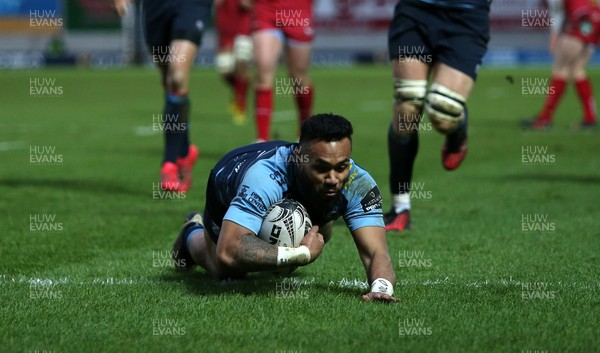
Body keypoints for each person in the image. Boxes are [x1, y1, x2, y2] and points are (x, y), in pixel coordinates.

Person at [171, 114, 398, 302]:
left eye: (341, 166)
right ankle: (191, 230)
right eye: (321, 168)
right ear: (298, 157)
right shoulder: (264, 178)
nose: (333, 178)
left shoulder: (358, 183)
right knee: (225, 270)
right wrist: (300, 254)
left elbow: (376, 251)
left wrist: (382, 288)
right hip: (228, 180)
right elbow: (228, 251)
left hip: (301, 197)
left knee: (320, 231)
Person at [384, 0, 491, 232]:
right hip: (416, 10)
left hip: (466, 17)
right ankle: (400, 207)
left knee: (443, 111)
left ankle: (457, 130)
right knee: (407, 106)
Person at [113, 0, 212, 191]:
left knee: (177, 77)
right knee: (168, 82)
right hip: (155, 7)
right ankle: (184, 152)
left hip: (192, 5)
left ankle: (169, 163)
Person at [522, 0, 599, 130]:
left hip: (580, 27)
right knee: (577, 71)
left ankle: (545, 118)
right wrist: (589, 35)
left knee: (560, 70)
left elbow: (561, 13)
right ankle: (590, 117)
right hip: (592, 26)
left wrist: (577, 35)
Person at [252, 0, 315, 141]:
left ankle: (305, 129)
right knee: (263, 69)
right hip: (266, 10)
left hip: (298, 11)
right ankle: (261, 139)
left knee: (299, 75)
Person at [214, 0, 253, 125]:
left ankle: (241, 106)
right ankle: (241, 89)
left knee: (241, 66)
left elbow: (249, 4)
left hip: (244, 28)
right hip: (225, 29)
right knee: (224, 70)